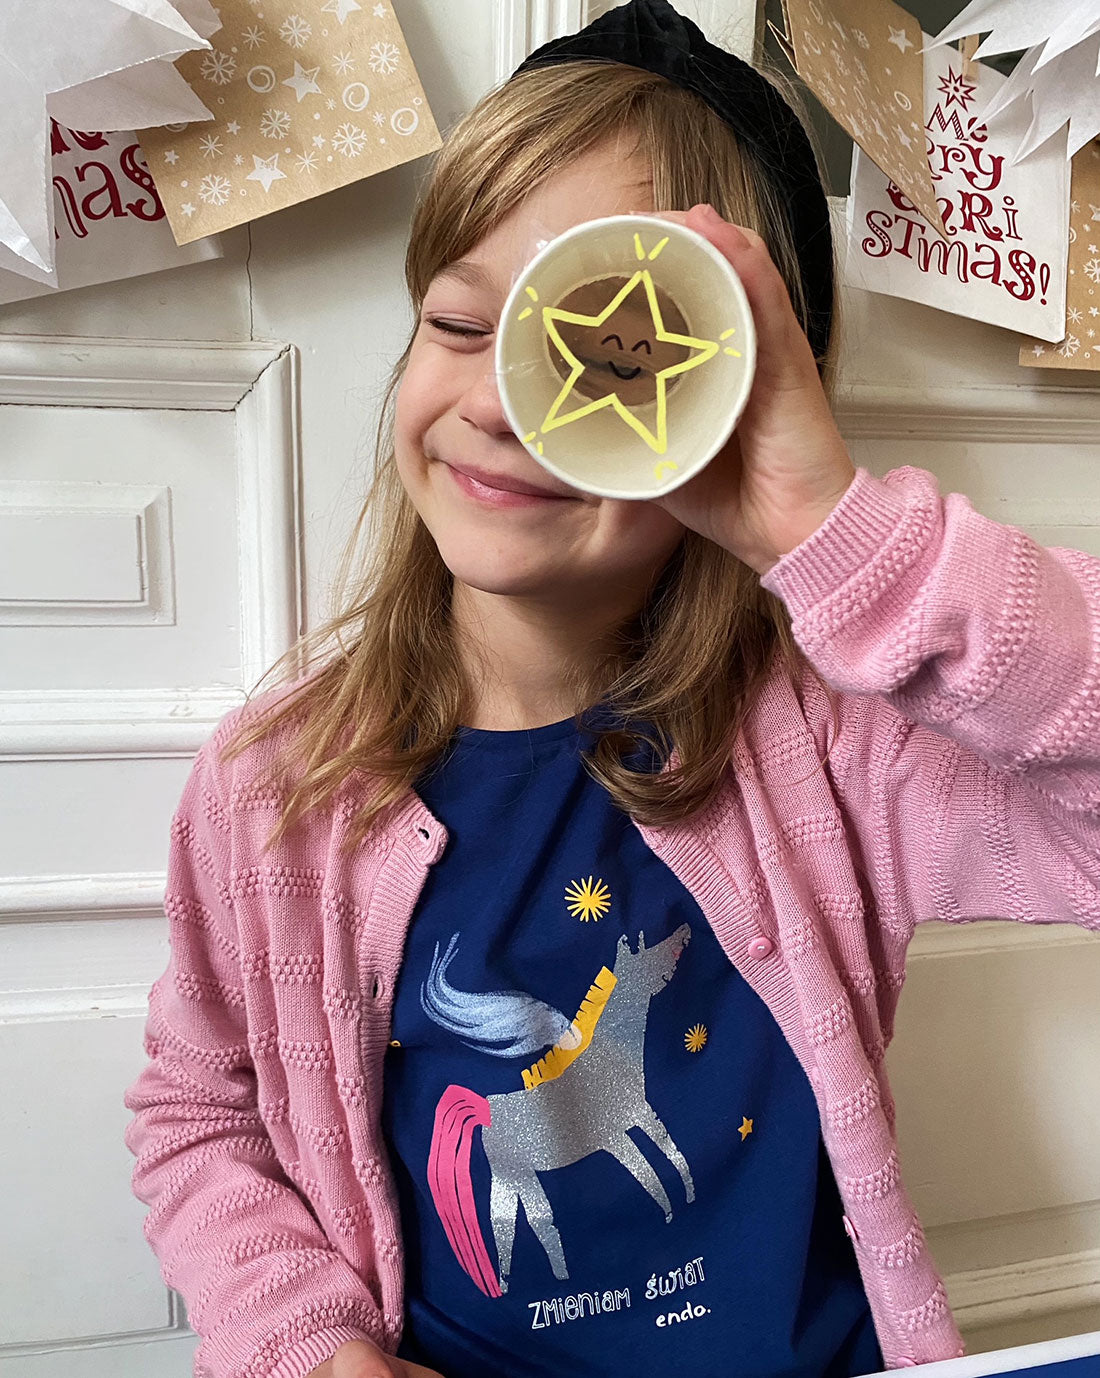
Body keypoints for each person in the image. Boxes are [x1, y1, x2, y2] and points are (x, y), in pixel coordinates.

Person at [123, 3, 1100, 1378]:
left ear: (743, 409)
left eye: (610, 355)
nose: (500, 404)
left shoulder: (838, 747)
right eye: (461, 320)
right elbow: (198, 1111)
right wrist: (307, 1342)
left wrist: (845, 539)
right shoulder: (277, 786)